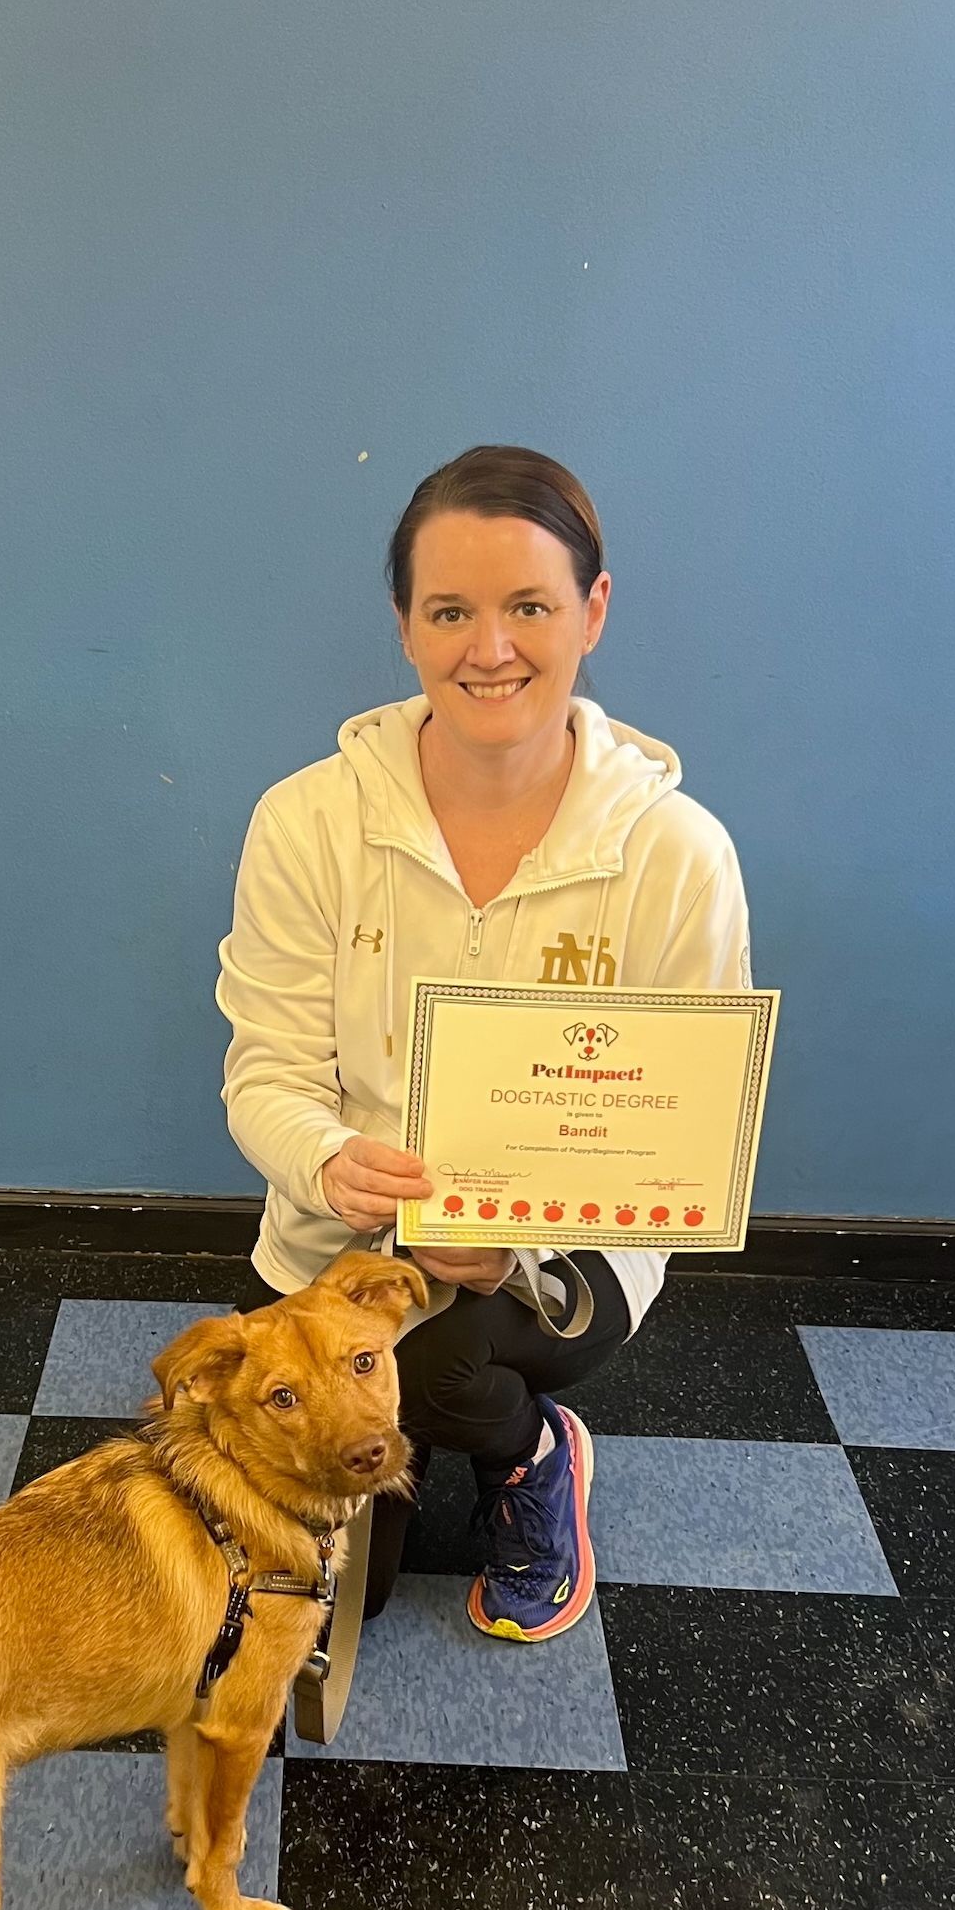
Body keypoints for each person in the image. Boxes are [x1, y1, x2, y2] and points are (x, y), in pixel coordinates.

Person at [216, 445, 751, 1641]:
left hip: (564, 1249)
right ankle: (449, 1431)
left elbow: (682, 1127)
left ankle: (530, 1453)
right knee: (330, 1578)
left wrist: (513, 1230)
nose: (490, 647)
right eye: (451, 610)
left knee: (439, 1367)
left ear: (592, 612)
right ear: (406, 624)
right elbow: (266, 1072)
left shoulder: (678, 853)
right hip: (341, 1235)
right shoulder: (305, 822)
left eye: (530, 607)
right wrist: (330, 1164)